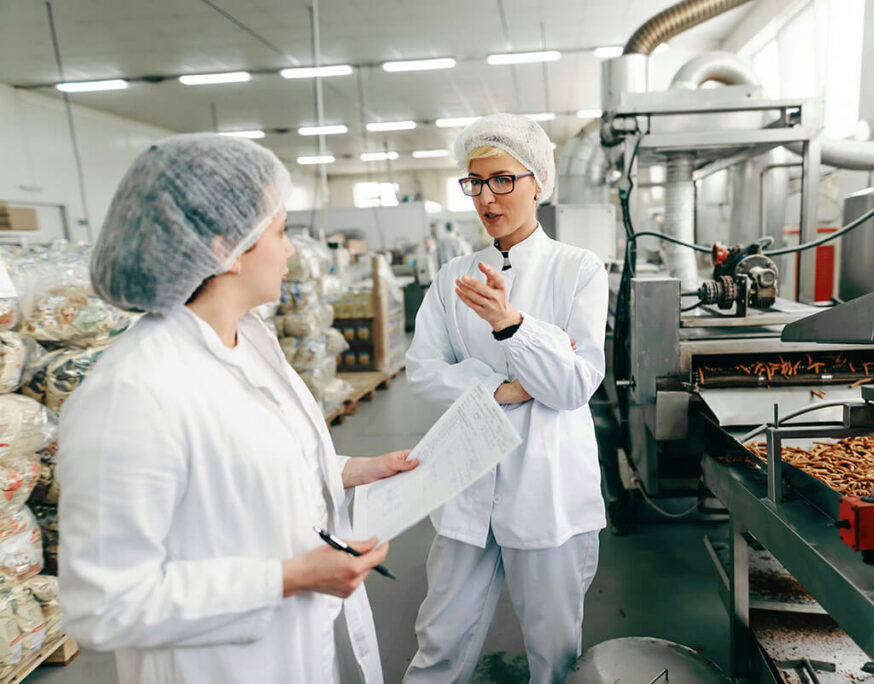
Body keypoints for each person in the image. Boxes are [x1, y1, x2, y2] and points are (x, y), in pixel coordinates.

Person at [57, 133, 416, 684]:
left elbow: (250, 464)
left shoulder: (247, 338)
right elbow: (104, 605)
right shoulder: (131, 392)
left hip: (293, 652)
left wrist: (350, 471)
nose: (292, 251)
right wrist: (288, 578)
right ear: (225, 248)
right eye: (280, 231)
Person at [404, 113, 609, 684]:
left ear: (538, 180)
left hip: (547, 491)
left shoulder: (578, 270)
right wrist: (503, 387)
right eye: (475, 182)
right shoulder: (452, 277)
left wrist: (513, 326)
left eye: (502, 180)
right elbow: (421, 371)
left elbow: (573, 385)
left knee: (554, 653)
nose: (486, 198)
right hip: (466, 483)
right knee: (439, 642)